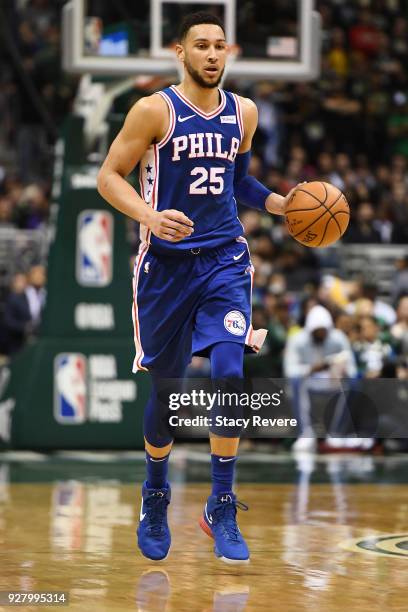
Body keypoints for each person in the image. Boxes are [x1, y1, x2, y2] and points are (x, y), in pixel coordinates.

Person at [97, 11, 298, 564]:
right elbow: (109, 175)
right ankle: (156, 491)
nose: (212, 55)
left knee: (231, 371)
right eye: (201, 46)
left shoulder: (244, 113)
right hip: (165, 267)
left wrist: (278, 203)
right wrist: (149, 214)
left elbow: (239, 182)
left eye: (219, 46)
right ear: (179, 53)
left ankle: (221, 503)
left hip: (225, 259)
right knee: (167, 393)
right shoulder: (153, 110)